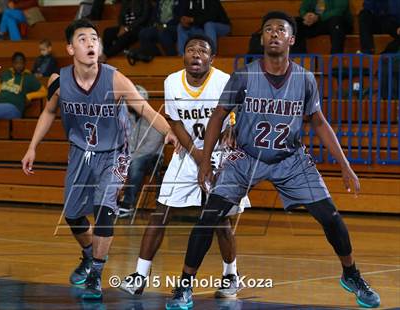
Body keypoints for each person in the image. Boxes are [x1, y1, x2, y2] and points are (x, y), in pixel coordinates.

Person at [165, 11, 381, 310]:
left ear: (291, 38)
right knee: (208, 218)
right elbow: (217, 116)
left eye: (281, 29)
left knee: (330, 216)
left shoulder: (304, 78)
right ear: (262, 37)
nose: (274, 33)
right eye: (268, 29)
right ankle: (184, 286)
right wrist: (204, 162)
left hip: (289, 158)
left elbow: (318, 122)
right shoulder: (244, 75)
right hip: (246, 155)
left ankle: (352, 274)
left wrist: (344, 164)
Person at [20, 19, 179, 301]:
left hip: (115, 153)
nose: (91, 43)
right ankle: (87, 254)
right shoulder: (59, 81)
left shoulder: (114, 78)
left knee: (105, 211)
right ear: (70, 48)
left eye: (94, 38)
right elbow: (48, 112)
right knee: (72, 215)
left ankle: (96, 273)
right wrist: (32, 147)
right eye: (82, 39)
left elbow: (143, 108)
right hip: (80, 153)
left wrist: (169, 132)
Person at [120, 34, 250, 300]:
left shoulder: (225, 81)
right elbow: (175, 122)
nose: (196, 54)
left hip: (221, 154)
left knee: (220, 219)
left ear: (211, 59)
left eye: (203, 50)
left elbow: (243, 109)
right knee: (161, 211)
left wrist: (234, 128)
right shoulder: (172, 82)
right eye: (191, 49)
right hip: (189, 151)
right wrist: (197, 155)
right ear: (184, 56)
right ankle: (139, 275)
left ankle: (230, 276)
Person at [119, 84, 165, 213]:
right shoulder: (125, 118)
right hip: (131, 157)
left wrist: (129, 159)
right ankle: (109, 202)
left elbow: (150, 148)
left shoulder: (155, 119)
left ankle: (128, 204)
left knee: (136, 164)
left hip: (153, 158)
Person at [0, 52, 44, 127]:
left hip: (14, 108)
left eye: (21, 63)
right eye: (16, 63)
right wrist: (2, 92)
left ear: (24, 63)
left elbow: (44, 91)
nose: (19, 65)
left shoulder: (29, 77)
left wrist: (30, 96)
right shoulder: (7, 74)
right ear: (13, 63)